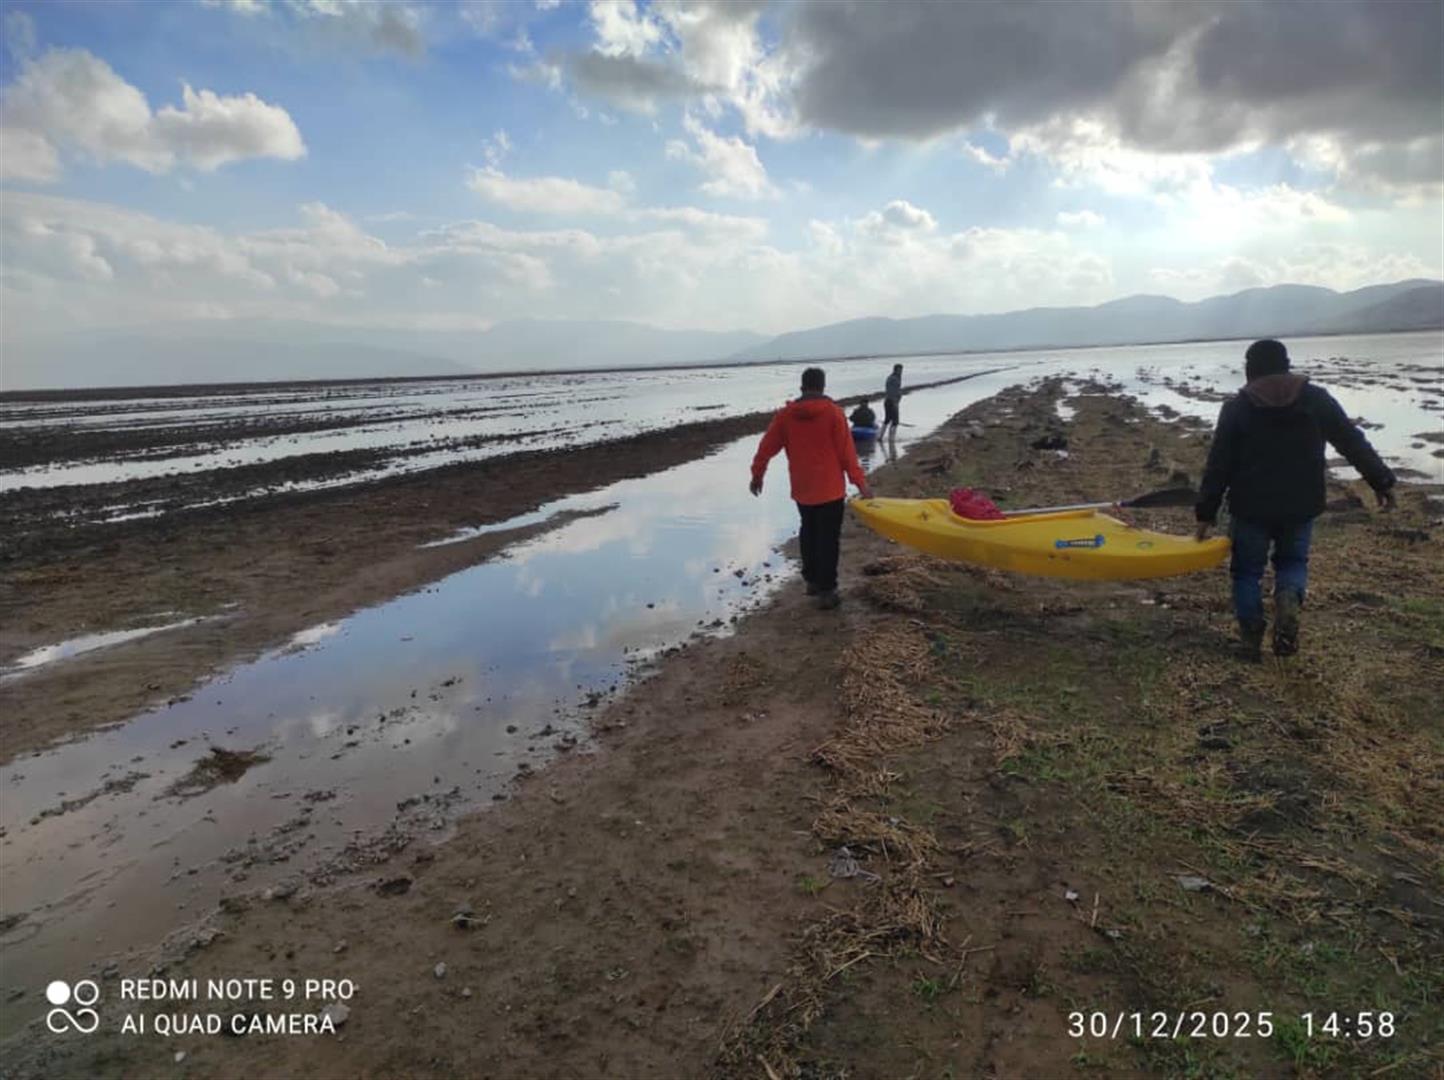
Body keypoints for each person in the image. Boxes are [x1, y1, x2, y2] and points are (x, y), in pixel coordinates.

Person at [1195, 339, 1396, 660]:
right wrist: (1381, 480)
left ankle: (1250, 640)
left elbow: (1219, 464)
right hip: (1302, 503)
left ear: (1250, 369)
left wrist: (1205, 512)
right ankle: (1288, 597)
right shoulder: (1315, 399)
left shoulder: (1237, 407)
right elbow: (1350, 441)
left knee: (1246, 572)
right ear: (1285, 364)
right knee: (1292, 563)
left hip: (1250, 507)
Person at [750, 367, 874, 610]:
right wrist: (862, 484)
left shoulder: (786, 416)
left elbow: (766, 447)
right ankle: (827, 590)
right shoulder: (834, 414)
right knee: (828, 539)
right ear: (823, 386)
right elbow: (847, 456)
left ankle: (812, 581)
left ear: (802, 387)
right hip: (830, 490)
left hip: (803, 489)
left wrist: (757, 475)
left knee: (808, 532)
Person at [880, 363, 904, 434]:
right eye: (899, 370)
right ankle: (891, 439)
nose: (901, 372)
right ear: (895, 370)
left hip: (890, 400)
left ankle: (881, 436)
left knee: (887, 419)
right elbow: (892, 391)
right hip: (892, 401)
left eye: (901, 370)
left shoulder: (894, 377)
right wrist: (895, 402)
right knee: (895, 421)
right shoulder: (894, 378)